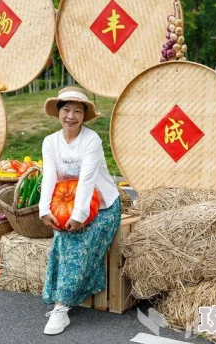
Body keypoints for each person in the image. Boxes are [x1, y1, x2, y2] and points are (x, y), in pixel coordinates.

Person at [38, 87, 120, 335]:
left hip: (103, 207)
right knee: (62, 240)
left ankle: (61, 308)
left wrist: (79, 216)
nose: (71, 116)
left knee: (79, 244)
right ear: (58, 112)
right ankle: (63, 297)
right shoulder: (50, 142)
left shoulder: (91, 140)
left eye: (77, 111)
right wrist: (44, 210)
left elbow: (87, 180)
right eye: (66, 110)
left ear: (84, 115)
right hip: (66, 205)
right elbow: (49, 177)